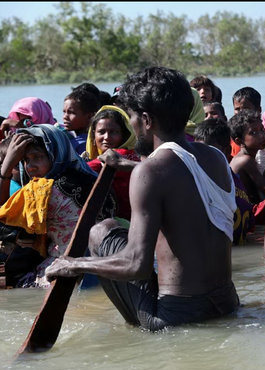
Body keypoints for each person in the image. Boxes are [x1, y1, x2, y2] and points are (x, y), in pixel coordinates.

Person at [45, 66, 240, 331]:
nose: (132, 126)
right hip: (228, 305)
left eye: (132, 118)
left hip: (175, 318)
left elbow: (135, 264)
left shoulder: (151, 171)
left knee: (102, 231)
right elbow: (181, 179)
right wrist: (128, 165)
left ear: (147, 120)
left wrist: (75, 264)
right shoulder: (215, 157)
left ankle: (137, 328)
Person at [0, 125, 116, 287]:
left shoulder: (42, 191)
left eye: (37, 157)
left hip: (61, 272)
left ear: (54, 153)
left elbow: (4, 224)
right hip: (105, 268)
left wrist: (5, 168)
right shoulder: (93, 179)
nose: (30, 166)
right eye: (26, 160)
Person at [194, 117, 255, 245]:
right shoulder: (236, 181)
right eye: (196, 151)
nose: (199, 157)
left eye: (206, 152)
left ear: (227, 151)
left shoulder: (205, 183)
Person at [85, 105, 140, 221]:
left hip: (123, 223)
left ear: (124, 135)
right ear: (93, 135)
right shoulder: (135, 154)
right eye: (101, 132)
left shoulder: (117, 155)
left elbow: (83, 170)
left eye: (114, 132)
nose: (107, 137)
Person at [229, 109, 265, 205]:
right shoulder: (245, 160)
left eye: (261, 129)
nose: (261, 135)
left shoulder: (252, 155)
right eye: (253, 133)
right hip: (247, 212)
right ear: (239, 141)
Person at [62, 88, 101, 154]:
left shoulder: (84, 145)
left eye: (71, 112)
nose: (65, 117)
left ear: (89, 116)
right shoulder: (72, 139)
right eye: (64, 112)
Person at [230, 87, 264, 158]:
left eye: (246, 109)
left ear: (259, 110)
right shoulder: (229, 137)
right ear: (238, 141)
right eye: (237, 109)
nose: (241, 113)